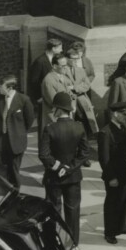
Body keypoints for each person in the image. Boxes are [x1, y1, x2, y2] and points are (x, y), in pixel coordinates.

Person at [39, 91, 89, 242]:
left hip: (54, 177)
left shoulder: (50, 128)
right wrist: (68, 168)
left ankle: (52, 244)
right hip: (73, 177)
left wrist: (59, 166)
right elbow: (84, 154)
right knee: (73, 214)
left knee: (53, 212)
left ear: (59, 109)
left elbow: (44, 155)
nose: (53, 110)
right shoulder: (79, 127)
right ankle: (73, 244)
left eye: (54, 107)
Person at [98, 100, 126, 244]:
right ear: (115, 114)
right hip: (114, 175)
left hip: (125, 174)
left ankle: (121, 226)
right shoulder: (105, 132)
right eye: (123, 114)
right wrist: (111, 177)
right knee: (112, 203)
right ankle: (110, 232)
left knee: (124, 201)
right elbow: (104, 159)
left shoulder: (124, 128)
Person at [0, 75, 34, 188]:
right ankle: (2, 194)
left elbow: (29, 120)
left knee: (13, 172)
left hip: (15, 142)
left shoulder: (24, 100)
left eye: (1, 86)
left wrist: (18, 132)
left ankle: (15, 193)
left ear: (10, 88)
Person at [29, 38, 63, 127]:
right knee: (44, 123)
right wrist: (39, 97)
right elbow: (34, 81)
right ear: (53, 48)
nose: (61, 50)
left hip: (55, 96)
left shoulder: (56, 59)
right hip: (44, 98)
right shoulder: (40, 61)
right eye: (60, 48)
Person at [40, 53, 74, 130]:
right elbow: (55, 102)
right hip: (56, 118)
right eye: (63, 66)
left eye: (66, 65)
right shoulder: (49, 80)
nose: (66, 68)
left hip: (65, 115)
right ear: (54, 66)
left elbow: (71, 93)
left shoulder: (64, 76)